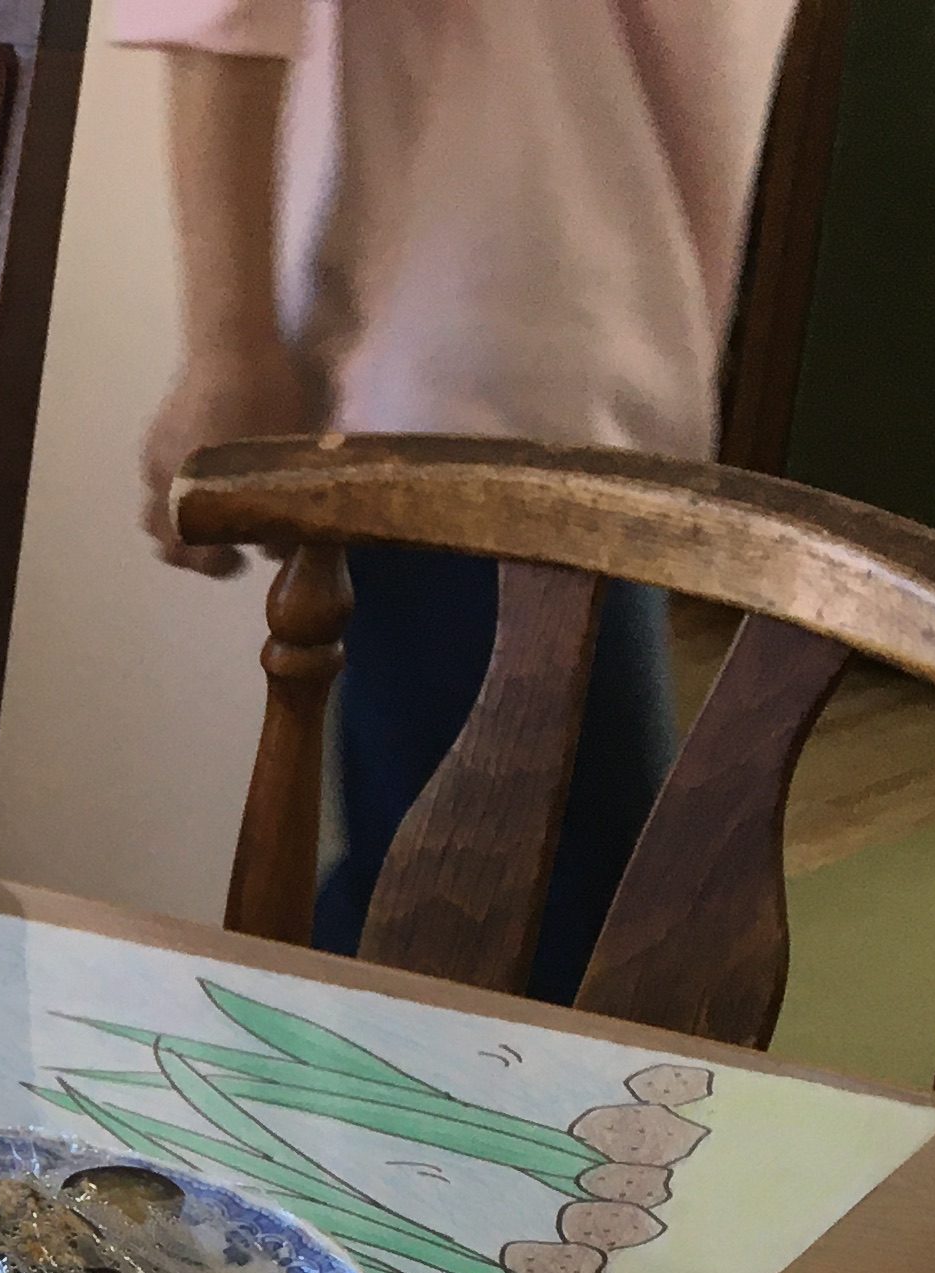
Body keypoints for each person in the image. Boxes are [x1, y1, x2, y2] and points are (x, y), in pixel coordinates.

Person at [130, 1, 794, 1000]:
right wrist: (227, 348)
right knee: (526, 945)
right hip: (476, 377)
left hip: (585, 375)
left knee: (479, 927)